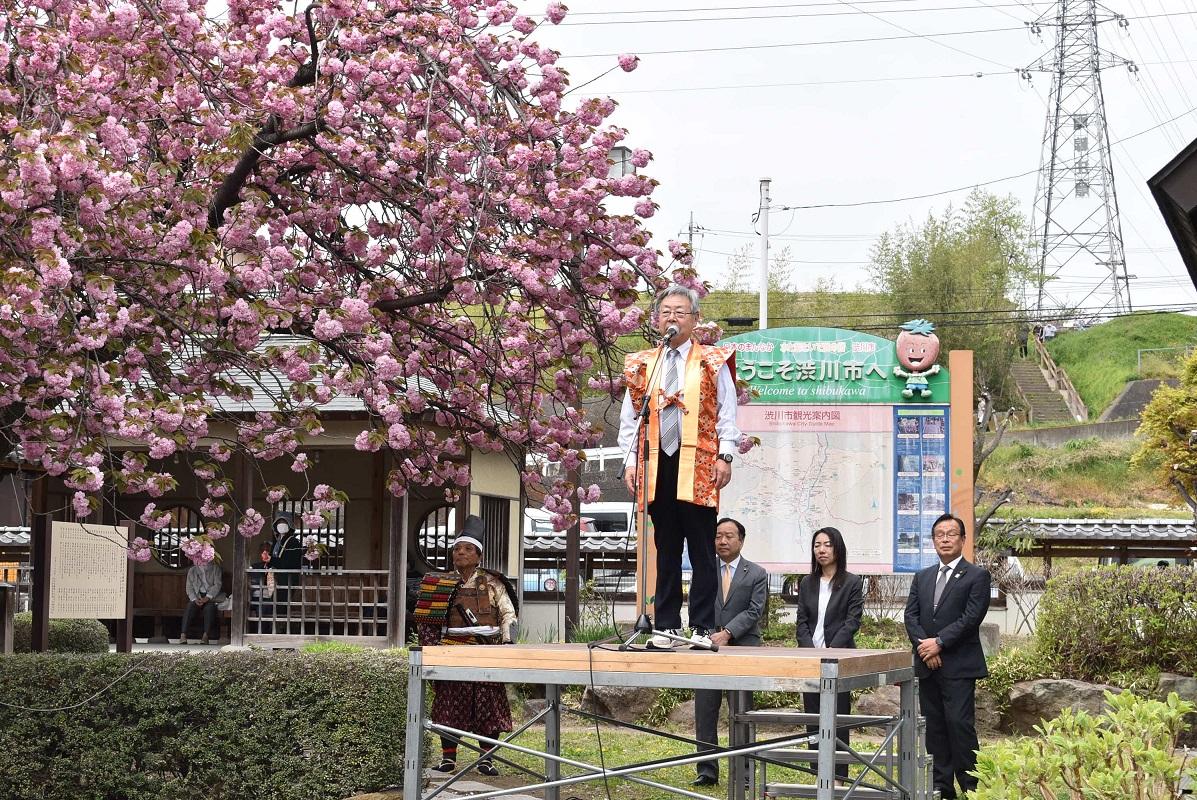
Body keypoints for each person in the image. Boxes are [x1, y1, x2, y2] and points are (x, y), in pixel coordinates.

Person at [618, 284, 742, 648]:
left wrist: (726, 454)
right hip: (657, 463)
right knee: (666, 546)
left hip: (699, 464)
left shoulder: (711, 360)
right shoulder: (644, 363)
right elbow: (631, 418)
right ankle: (667, 625)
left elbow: (727, 412)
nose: (672, 318)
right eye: (666, 312)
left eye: (680, 312)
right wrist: (629, 461)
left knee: (702, 548)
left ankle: (702, 626)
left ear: (696, 319)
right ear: (657, 319)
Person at [417, 515, 517, 778]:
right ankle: (448, 759)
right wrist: (431, 650)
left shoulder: (493, 583)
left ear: (479, 556)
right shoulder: (440, 584)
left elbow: (508, 614)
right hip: (451, 650)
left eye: (467, 549)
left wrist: (508, 642)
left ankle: (486, 759)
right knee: (448, 705)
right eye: (457, 549)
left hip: (486, 651)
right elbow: (427, 619)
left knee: (488, 706)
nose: (460, 553)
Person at [904, 513, 990, 800]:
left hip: (958, 666)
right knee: (934, 727)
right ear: (933, 540)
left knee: (959, 725)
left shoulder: (977, 576)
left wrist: (939, 643)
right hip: (928, 666)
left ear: (963, 540)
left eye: (951, 533)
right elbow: (911, 616)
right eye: (939, 534)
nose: (944, 538)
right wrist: (925, 648)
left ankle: (972, 786)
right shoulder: (922, 576)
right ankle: (942, 786)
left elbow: (971, 618)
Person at [693, 517, 769, 787]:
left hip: (743, 648)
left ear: (741, 540)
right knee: (705, 709)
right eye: (717, 536)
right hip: (708, 649)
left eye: (728, 536)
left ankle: (745, 769)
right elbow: (696, 605)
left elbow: (754, 610)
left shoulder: (757, 573)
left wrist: (728, 633)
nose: (722, 541)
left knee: (742, 710)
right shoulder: (704, 570)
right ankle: (706, 770)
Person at [795, 526, 864, 781]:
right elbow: (801, 621)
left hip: (839, 659)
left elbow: (852, 621)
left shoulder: (852, 582)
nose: (821, 550)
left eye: (827, 544)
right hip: (809, 660)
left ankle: (839, 776)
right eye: (817, 545)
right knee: (813, 719)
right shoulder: (807, 582)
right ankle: (818, 775)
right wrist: (810, 652)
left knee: (838, 719)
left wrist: (831, 650)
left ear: (837, 548)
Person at [179, 560, 226, 645]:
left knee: (209, 608)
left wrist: (208, 597)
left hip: (211, 597)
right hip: (197, 596)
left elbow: (217, 584)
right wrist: (194, 598)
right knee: (190, 606)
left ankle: (205, 636)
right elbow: (189, 587)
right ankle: (183, 635)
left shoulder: (215, 568)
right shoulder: (192, 570)